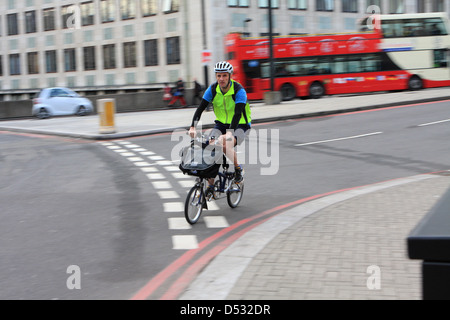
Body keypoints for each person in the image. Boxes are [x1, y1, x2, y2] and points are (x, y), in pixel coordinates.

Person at [189, 61, 251, 195]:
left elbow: (238, 113)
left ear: (230, 76)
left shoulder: (239, 91)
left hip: (240, 124)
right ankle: (210, 186)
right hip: (221, 124)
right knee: (211, 146)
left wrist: (230, 133)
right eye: (218, 76)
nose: (221, 79)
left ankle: (238, 169)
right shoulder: (212, 89)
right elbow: (200, 109)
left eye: (224, 76)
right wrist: (193, 127)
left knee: (225, 144)